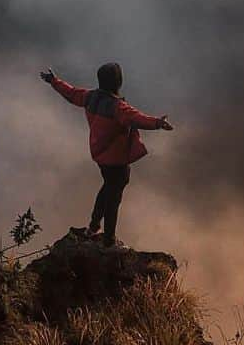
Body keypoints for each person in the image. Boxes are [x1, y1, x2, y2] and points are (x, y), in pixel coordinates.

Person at [41, 61, 173, 248]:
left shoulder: (90, 97)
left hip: (101, 157)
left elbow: (71, 93)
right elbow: (137, 118)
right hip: (116, 160)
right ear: (119, 82)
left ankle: (93, 227)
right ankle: (108, 242)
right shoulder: (117, 107)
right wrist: (158, 123)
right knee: (113, 198)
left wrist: (54, 81)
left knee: (107, 188)